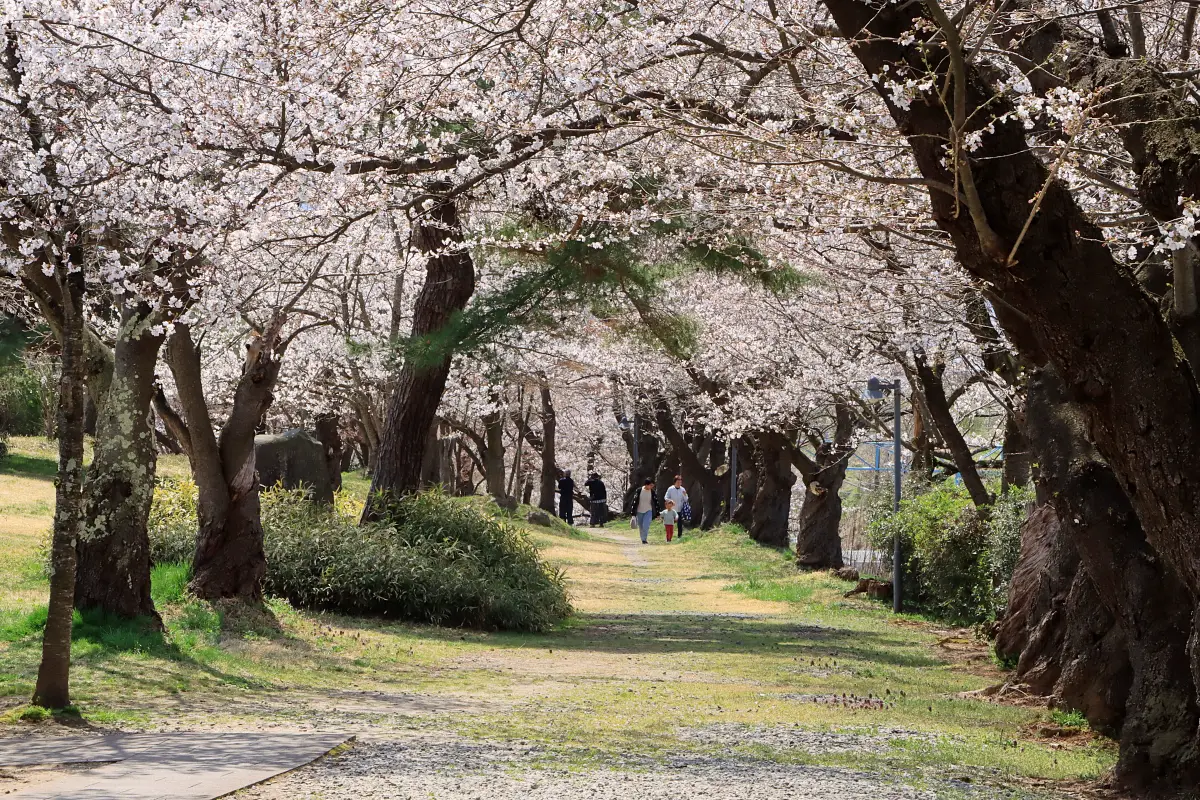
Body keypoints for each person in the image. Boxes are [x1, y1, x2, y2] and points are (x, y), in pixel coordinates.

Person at [627, 477, 659, 544]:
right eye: (650, 485)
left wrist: (657, 513)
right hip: (639, 511)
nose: (651, 487)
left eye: (652, 485)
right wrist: (633, 513)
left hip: (648, 510)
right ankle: (642, 539)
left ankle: (645, 539)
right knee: (641, 526)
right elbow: (634, 501)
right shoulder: (639, 490)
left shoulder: (652, 492)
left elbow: (656, 502)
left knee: (646, 525)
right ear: (646, 484)